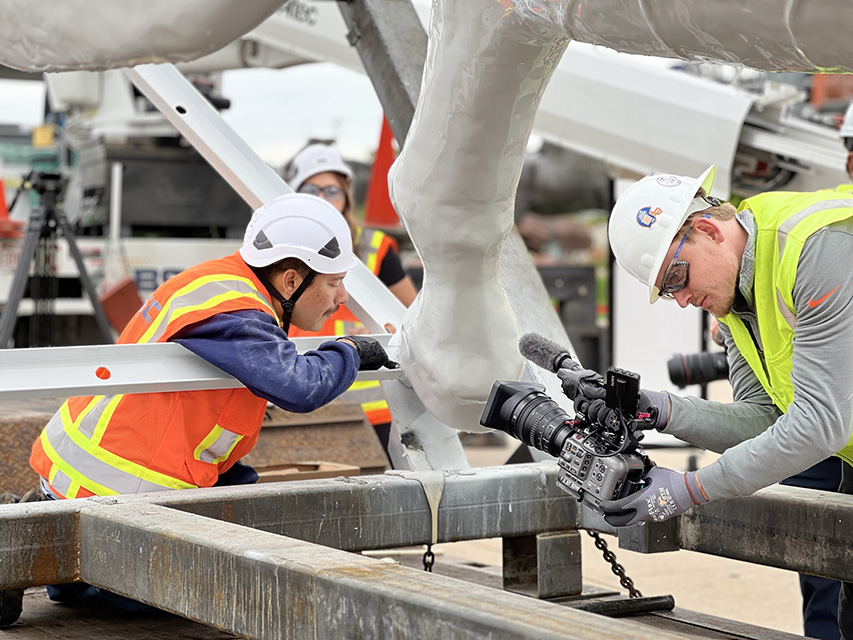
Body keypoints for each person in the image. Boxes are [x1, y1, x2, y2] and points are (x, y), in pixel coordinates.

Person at [21, 193, 395, 608]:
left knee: (244, 498)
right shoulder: (235, 313)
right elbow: (300, 386)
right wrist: (351, 352)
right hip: (112, 486)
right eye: (333, 283)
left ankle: (54, 553)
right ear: (291, 281)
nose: (341, 298)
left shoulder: (226, 286)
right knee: (185, 594)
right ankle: (38, 554)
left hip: (102, 470)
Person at [566, 166, 853, 638]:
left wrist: (688, 490)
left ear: (707, 229)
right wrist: (658, 409)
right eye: (668, 291)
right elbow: (767, 421)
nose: (681, 300)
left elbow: (820, 424)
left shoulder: (815, 251)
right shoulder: (738, 294)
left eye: (677, 276)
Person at [283, 143, 417, 448]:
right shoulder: (279, 251)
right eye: (310, 188)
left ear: (346, 195)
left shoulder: (374, 248)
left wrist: (377, 332)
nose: (321, 198)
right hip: (301, 399)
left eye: (331, 190)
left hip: (371, 409)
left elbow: (416, 316)